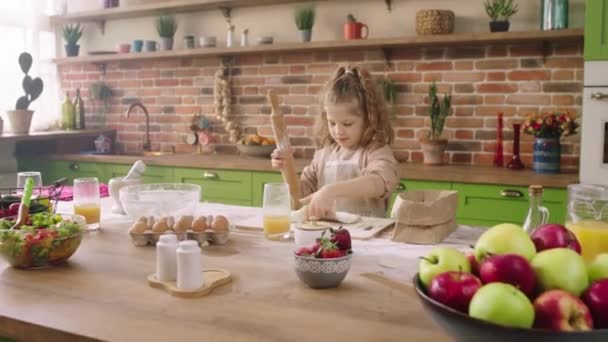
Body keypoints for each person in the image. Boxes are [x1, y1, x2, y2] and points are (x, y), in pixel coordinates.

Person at [271, 65, 399, 219]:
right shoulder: (323, 155)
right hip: (328, 238)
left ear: (369, 119)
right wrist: (287, 167)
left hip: (366, 238)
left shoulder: (375, 151)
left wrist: (330, 191)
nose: (338, 131)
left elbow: (378, 183)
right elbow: (300, 198)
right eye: (332, 123)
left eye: (347, 124)